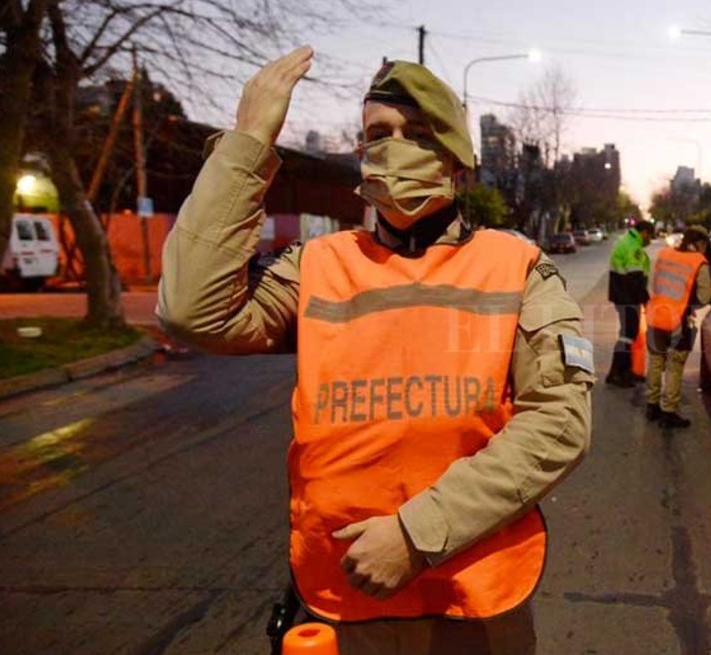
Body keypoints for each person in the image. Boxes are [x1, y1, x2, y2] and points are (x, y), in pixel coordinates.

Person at [157, 48, 593, 654]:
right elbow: (191, 311)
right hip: (339, 595)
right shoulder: (318, 265)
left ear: (458, 159)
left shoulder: (517, 267)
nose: (394, 148)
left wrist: (417, 536)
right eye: (377, 135)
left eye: (417, 133)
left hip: (475, 604)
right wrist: (248, 142)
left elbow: (559, 421)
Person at [644, 226, 711, 428]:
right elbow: (704, 297)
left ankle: (652, 405)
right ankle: (669, 412)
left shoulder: (664, 254)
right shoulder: (699, 262)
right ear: (700, 243)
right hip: (678, 321)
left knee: (656, 362)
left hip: (656, 316)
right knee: (675, 366)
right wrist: (689, 303)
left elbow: (654, 283)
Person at [606, 220, 655, 387]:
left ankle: (621, 372)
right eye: (650, 235)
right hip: (628, 297)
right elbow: (635, 279)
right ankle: (619, 374)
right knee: (628, 335)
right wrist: (646, 300)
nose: (650, 239)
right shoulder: (633, 247)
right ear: (644, 232)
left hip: (622, 295)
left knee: (627, 334)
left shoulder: (627, 241)